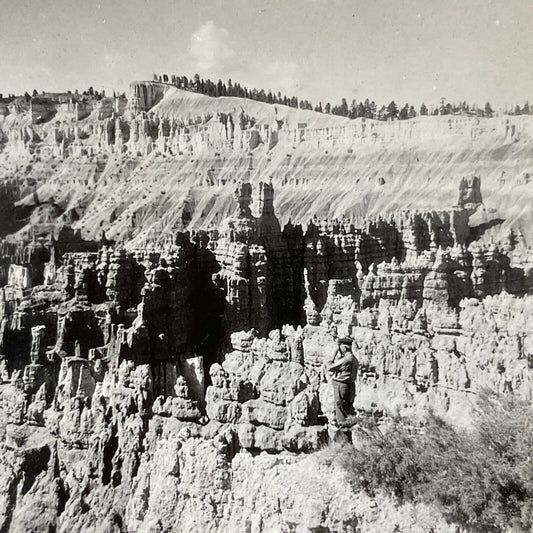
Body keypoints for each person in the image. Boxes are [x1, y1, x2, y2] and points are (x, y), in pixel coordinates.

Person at [328, 336, 359, 428]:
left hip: (341, 386)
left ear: (344, 348)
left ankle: (344, 435)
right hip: (350, 386)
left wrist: (334, 354)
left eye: (340, 347)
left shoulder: (346, 359)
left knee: (340, 411)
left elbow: (330, 367)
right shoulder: (353, 358)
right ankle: (347, 433)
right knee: (348, 410)